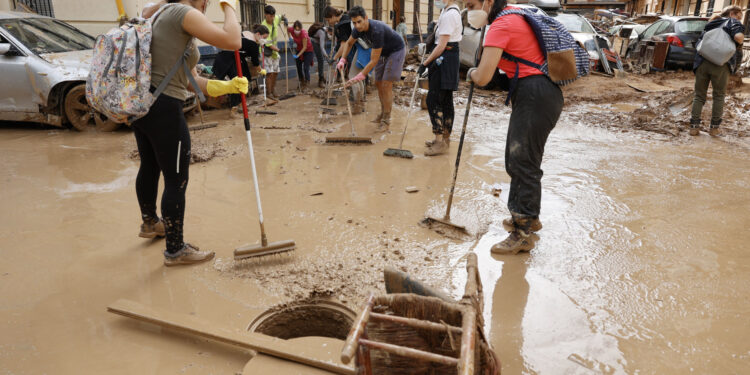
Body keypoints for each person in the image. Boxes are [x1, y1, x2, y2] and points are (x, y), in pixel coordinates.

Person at [133, 0, 247, 266]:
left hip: (144, 104)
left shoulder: (160, 13)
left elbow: (190, 80)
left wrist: (227, 86)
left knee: (149, 166)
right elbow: (233, 41)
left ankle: (150, 223)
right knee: (176, 180)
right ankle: (175, 250)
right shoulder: (184, 12)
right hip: (164, 108)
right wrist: (230, 8)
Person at [465, 0, 563, 254]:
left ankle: (523, 233)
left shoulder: (501, 24)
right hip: (540, 93)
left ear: (488, 2)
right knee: (518, 158)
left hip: (535, 94)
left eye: (472, 4)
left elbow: (484, 77)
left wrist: (472, 73)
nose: (469, 10)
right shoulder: (513, 16)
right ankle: (527, 216)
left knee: (522, 162)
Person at [334, 6, 406, 131]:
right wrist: (342, 59)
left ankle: (386, 120)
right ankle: (383, 113)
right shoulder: (357, 29)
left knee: (386, 84)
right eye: (354, 22)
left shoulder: (376, 30)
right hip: (383, 52)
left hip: (396, 50)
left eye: (359, 21)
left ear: (366, 18)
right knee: (378, 83)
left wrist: (361, 75)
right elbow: (349, 43)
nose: (356, 25)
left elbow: (373, 60)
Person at [689, 5, 745, 137]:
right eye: (739, 16)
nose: (740, 20)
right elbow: (738, 37)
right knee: (719, 96)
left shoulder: (712, 22)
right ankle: (714, 129)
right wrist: (739, 42)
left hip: (702, 61)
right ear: (732, 14)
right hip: (721, 64)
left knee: (699, 96)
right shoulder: (733, 22)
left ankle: (694, 127)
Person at [418, 0, 462, 156]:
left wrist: (425, 63)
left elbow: (442, 45)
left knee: (434, 99)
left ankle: (439, 142)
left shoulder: (450, 14)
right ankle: (444, 139)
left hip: (445, 57)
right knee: (444, 99)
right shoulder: (447, 12)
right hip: (447, 56)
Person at [261, 5, 287, 99]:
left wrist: (285, 18)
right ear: (265, 15)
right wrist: (279, 50)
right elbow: (268, 44)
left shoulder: (275, 18)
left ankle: (273, 89)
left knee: (275, 72)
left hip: (275, 52)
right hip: (266, 52)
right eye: (270, 16)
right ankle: (269, 93)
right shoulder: (263, 26)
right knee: (269, 73)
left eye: (273, 16)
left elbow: (281, 16)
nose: (272, 18)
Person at [324, 6, 356, 76]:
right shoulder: (345, 18)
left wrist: (333, 59)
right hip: (358, 49)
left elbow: (344, 45)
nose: (328, 23)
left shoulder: (343, 24)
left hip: (355, 50)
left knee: (353, 76)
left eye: (328, 20)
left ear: (332, 16)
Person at [288, 20, 315, 89]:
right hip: (299, 49)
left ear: (301, 29)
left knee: (306, 67)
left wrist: (297, 55)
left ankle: (307, 81)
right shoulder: (291, 30)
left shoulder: (303, 34)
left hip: (308, 50)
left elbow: (305, 47)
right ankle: (301, 80)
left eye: (298, 29)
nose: (297, 31)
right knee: (298, 66)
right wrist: (289, 38)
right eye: (295, 29)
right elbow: (287, 29)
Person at [309, 22, 329, 88]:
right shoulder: (322, 33)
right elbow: (322, 47)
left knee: (321, 60)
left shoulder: (325, 30)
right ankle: (320, 81)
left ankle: (322, 77)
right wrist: (326, 55)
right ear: (328, 31)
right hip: (314, 42)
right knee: (321, 60)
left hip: (317, 43)